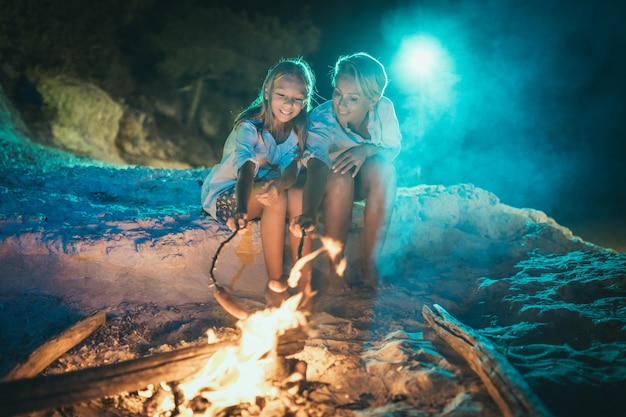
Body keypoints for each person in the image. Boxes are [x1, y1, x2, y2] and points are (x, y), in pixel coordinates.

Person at [201, 57, 316, 304]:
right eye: (282, 95)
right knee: (273, 193)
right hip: (231, 195)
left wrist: (279, 184)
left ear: (305, 100)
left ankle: (295, 283)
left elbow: (291, 172)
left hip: (265, 192)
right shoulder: (250, 126)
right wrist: (241, 207)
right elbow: (246, 169)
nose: (289, 104)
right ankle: (276, 285)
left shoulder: (298, 130)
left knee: (283, 191)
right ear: (267, 91)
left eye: (297, 99)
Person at [290, 52, 401, 289]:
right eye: (338, 93)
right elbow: (317, 167)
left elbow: (392, 149)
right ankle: (335, 267)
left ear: (373, 100)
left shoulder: (384, 110)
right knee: (341, 176)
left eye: (353, 99)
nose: (341, 104)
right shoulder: (321, 120)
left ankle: (370, 265)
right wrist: (308, 212)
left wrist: (367, 150)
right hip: (324, 187)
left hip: (358, 183)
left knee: (385, 171)